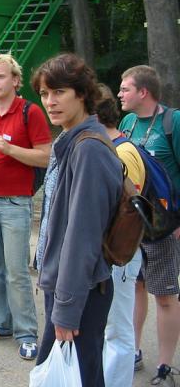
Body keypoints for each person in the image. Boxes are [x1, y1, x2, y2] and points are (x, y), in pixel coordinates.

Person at [32, 53, 122, 386]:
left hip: (79, 291)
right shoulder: (70, 140)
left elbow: (82, 235)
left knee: (77, 377)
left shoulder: (88, 149)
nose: (50, 102)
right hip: (67, 286)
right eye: (44, 93)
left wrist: (67, 308)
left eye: (59, 92)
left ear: (81, 94)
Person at [0, 53, 51, 360]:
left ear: (15, 80)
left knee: (16, 271)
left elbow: (45, 156)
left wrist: (10, 148)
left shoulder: (30, 112)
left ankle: (27, 332)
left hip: (16, 202)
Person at [118, 65, 180, 385]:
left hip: (163, 224)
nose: (119, 94)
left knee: (165, 295)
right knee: (135, 287)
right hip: (133, 223)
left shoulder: (174, 122)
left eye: (125, 89)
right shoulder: (127, 122)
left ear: (143, 92)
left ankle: (165, 367)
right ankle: (134, 351)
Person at [96, 83, 145, 387]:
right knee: (108, 325)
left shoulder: (124, 153)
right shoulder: (106, 146)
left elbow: (126, 213)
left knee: (118, 328)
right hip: (108, 252)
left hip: (121, 253)